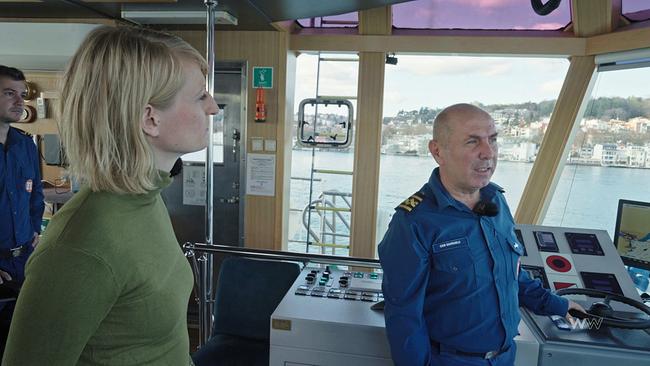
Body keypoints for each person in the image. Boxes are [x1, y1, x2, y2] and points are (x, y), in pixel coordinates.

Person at [3, 26, 218, 365]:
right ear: (150, 119)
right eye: (200, 96)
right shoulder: (80, 248)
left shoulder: (146, 198)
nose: (214, 108)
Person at [378, 103, 584, 366]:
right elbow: (404, 317)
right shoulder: (413, 223)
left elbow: (509, 275)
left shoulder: (496, 202)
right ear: (437, 151)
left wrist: (559, 306)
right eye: (472, 142)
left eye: (493, 140)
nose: (488, 153)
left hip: (506, 357)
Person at [0, 65, 44, 354]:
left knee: (21, 346)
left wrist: (35, 232)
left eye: (22, 94)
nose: (20, 101)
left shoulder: (25, 145)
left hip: (23, 262)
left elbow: (34, 197)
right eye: (9, 93)